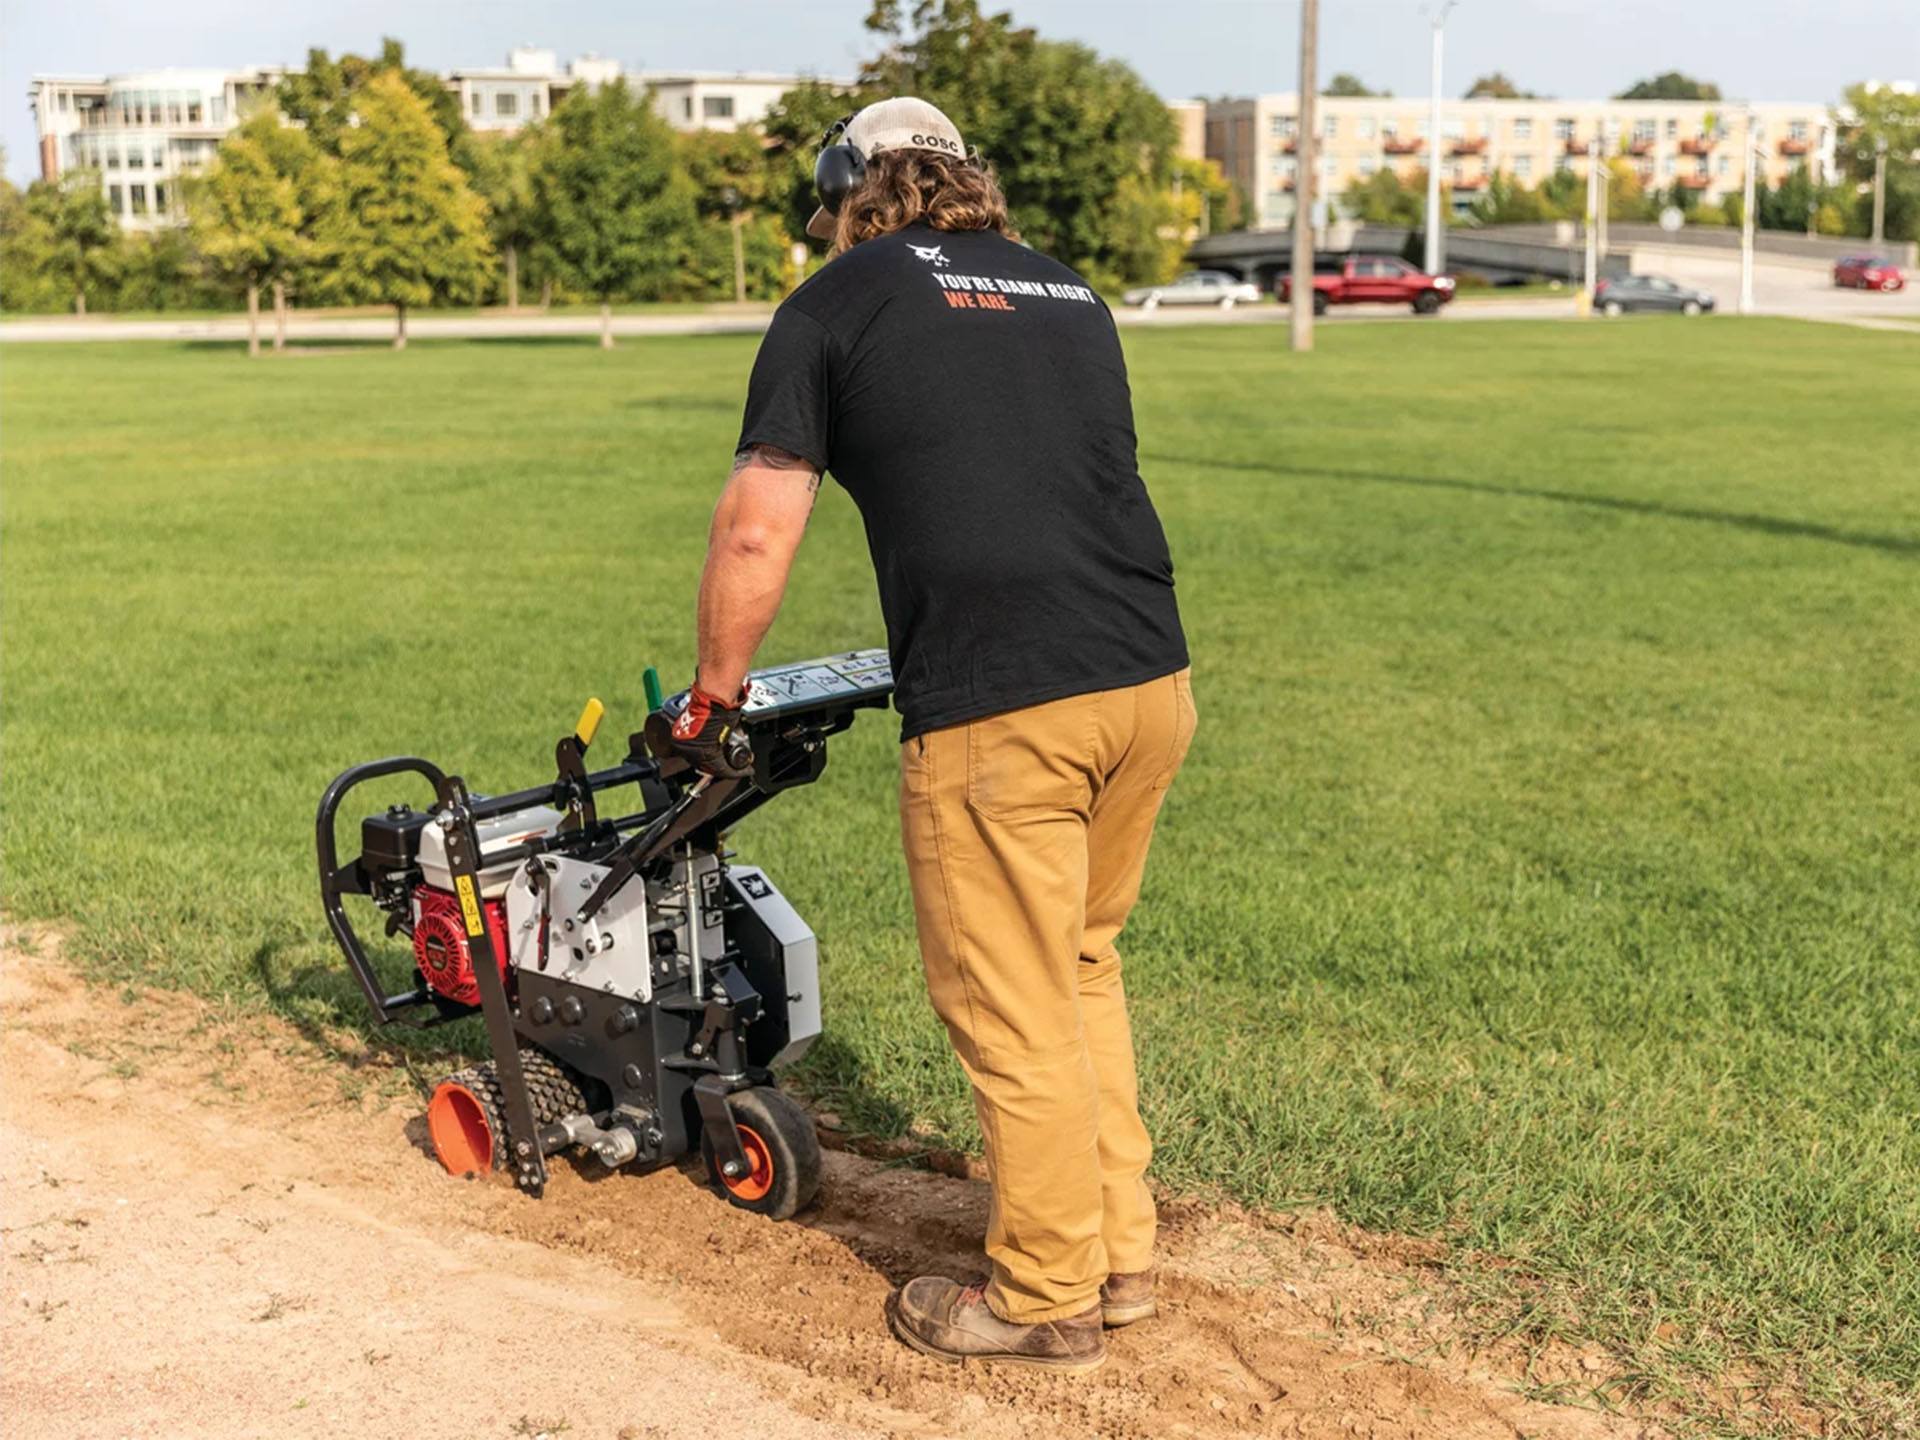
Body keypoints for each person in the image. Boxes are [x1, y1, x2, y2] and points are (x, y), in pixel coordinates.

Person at [666, 97, 1195, 1374]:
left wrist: (711, 693)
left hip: (1003, 703)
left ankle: (1043, 1295)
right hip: (1147, 681)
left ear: (854, 197)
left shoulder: (837, 303)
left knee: (1009, 1009)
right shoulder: (1068, 291)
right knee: (1079, 971)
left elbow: (755, 527)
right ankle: (1119, 1258)